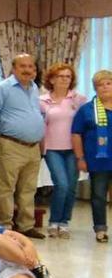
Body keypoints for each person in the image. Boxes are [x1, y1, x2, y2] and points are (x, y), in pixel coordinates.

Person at [0, 54, 45, 238]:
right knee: (6, 189)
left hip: (33, 147)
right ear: (13, 68)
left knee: (29, 189)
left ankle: (26, 225)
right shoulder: (1, 89)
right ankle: (5, 226)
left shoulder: (34, 87)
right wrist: (6, 133)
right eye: (23, 66)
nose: (28, 70)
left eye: (31, 67)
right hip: (10, 144)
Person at [40, 63, 87, 238]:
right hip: (52, 149)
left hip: (74, 149)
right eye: (61, 76)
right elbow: (40, 126)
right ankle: (54, 221)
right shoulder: (42, 100)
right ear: (52, 79)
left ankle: (64, 222)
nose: (65, 79)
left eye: (68, 76)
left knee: (71, 187)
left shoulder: (79, 99)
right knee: (62, 185)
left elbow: (85, 125)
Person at [71, 70, 112, 243]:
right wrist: (80, 158)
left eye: (108, 83)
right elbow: (76, 134)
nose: (105, 87)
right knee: (99, 196)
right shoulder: (86, 110)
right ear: (95, 88)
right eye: (100, 84)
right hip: (98, 161)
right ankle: (100, 229)